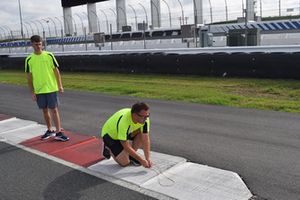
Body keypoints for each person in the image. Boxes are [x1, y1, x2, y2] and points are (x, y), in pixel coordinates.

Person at [25, 35, 69, 142]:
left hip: (51, 88)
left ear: (42, 44)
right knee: (44, 111)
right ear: (32, 45)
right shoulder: (29, 59)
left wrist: (60, 85)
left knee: (54, 110)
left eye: (40, 44)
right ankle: (49, 130)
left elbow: (56, 71)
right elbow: (29, 78)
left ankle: (58, 132)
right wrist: (32, 92)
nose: (38, 46)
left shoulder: (49, 55)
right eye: (36, 44)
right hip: (39, 90)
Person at [101, 102, 152, 168]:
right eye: (143, 116)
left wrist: (147, 158)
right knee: (124, 163)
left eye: (147, 116)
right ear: (134, 115)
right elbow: (125, 145)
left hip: (125, 133)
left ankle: (131, 156)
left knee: (141, 133)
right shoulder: (124, 121)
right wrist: (141, 160)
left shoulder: (145, 119)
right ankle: (108, 147)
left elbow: (146, 139)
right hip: (110, 136)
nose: (146, 118)